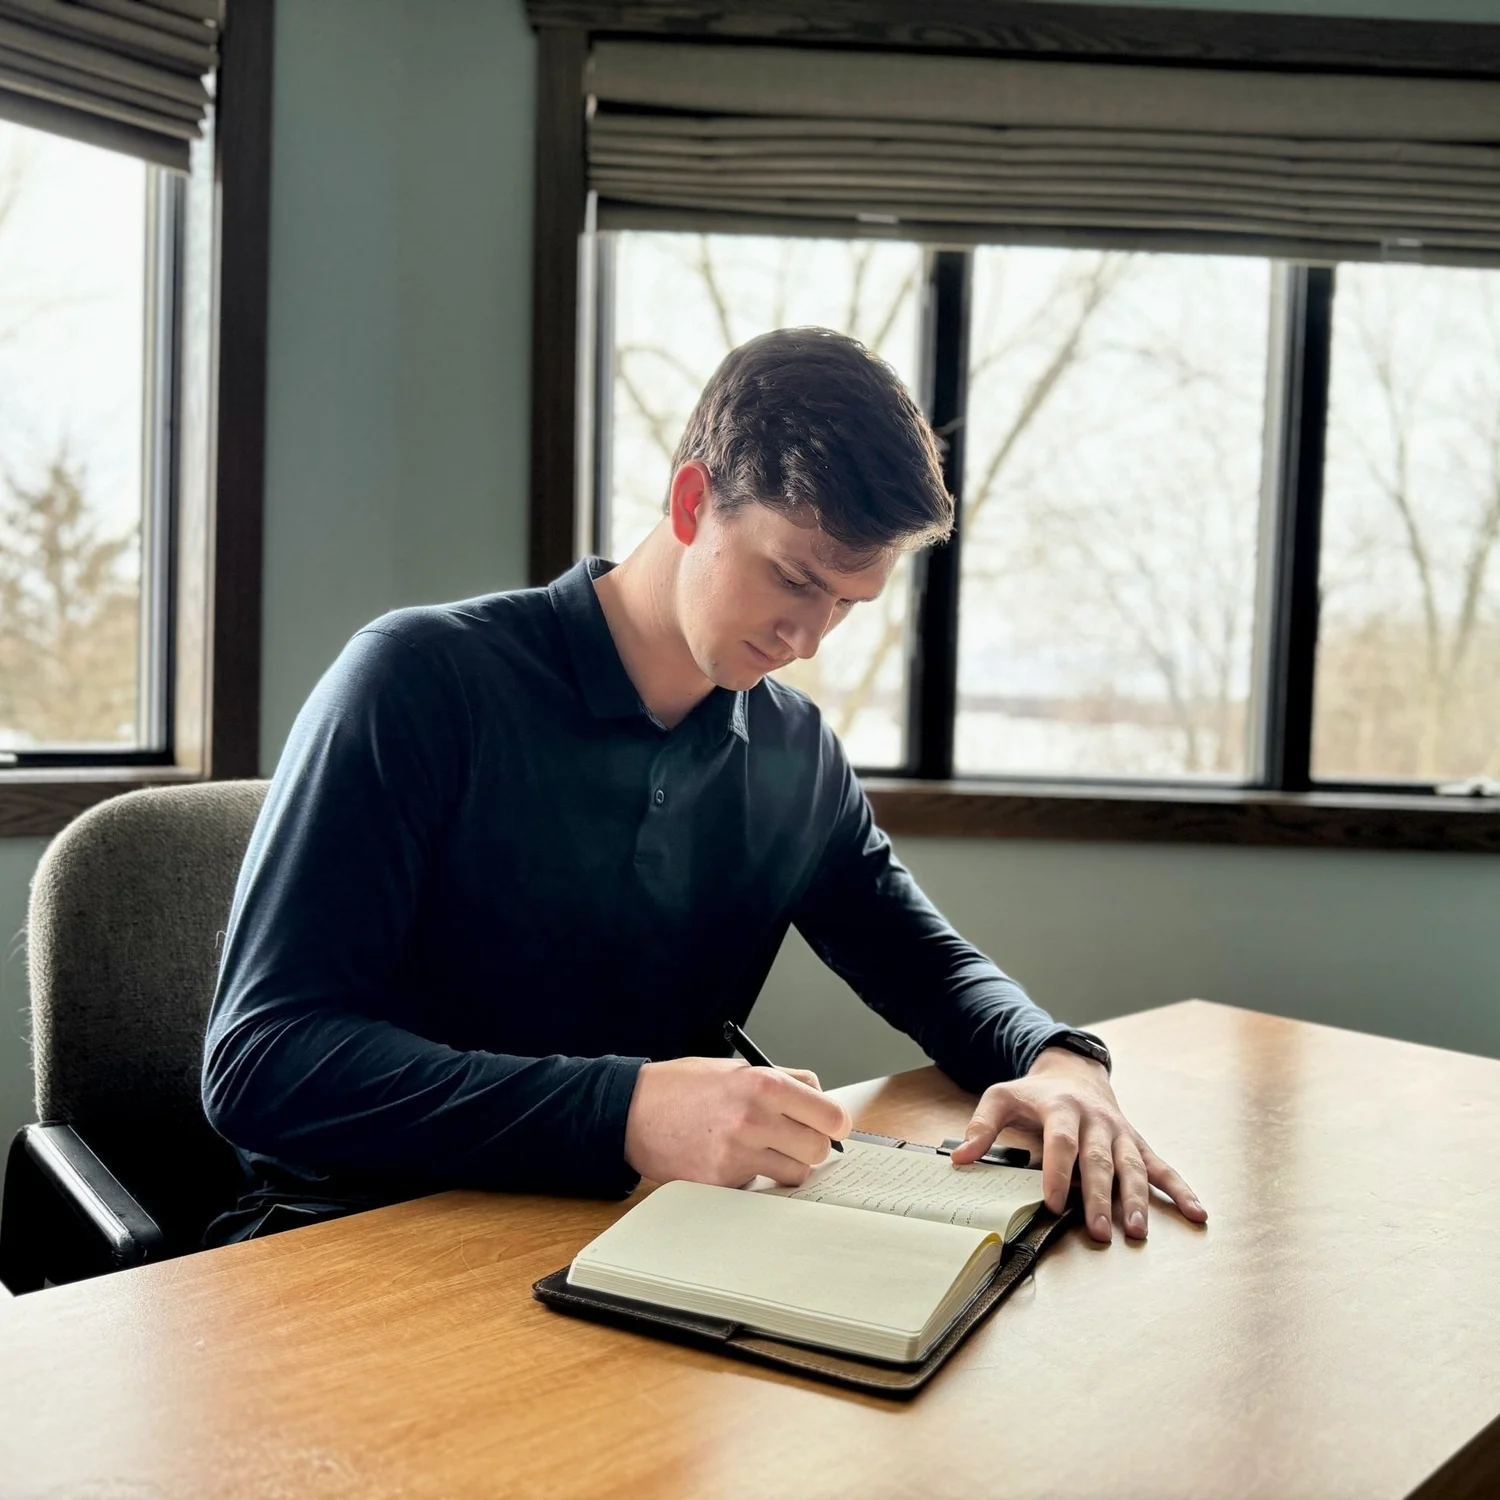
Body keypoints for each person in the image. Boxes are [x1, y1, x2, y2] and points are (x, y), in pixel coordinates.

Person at [201, 327, 1207, 1248]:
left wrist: (1060, 1059)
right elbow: (262, 1063)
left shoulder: (792, 750)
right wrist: (629, 1111)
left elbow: (929, 969)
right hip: (360, 1236)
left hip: (639, 1239)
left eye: (848, 606)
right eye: (795, 579)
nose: (807, 641)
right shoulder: (417, 681)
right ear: (691, 503)